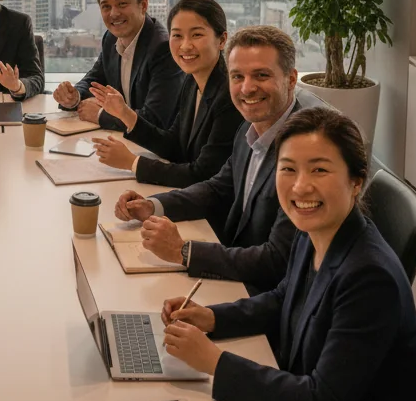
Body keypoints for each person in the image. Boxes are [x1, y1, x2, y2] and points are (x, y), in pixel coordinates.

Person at [160, 109, 416, 401]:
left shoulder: (369, 277)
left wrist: (214, 362)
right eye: (288, 169)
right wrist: (211, 318)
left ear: (356, 182)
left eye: (319, 170)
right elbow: (282, 298)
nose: (300, 187)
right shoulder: (316, 230)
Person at [113, 25, 312, 294]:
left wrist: (183, 252)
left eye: (261, 75)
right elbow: (218, 188)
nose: (247, 88)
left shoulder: (306, 154)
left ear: (291, 79)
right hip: (234, 276)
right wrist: (152, 205)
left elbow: (276, 260)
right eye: (237, 76)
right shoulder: (251, 126)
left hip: (263, 296)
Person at [91, 0, 243, 188]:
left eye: (196, 35)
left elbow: (202, 174)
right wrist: (125, 114)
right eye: (177, 35)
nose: (185, 45)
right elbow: (174, 145)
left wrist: (132, 162)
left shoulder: (229, 95)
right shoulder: (191, 82)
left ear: (222, 40)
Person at [52, 0, 183, 132]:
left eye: (122, 4)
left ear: (143, 5)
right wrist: (73, 97)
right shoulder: (111, 37)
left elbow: (155, 119)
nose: (114, 14)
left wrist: (100, 115)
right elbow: (95, 79)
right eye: (106, 6)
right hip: (121, 140)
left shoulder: (162, 49)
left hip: (155, 150)